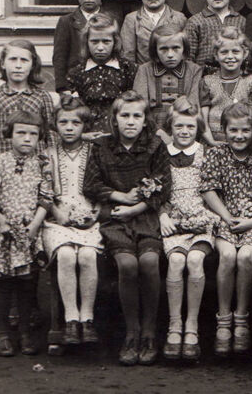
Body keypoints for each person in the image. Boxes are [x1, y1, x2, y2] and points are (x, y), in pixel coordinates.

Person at [83, 90, 172, 366]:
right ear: (115, 119)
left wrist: (137, 206)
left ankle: (149, 332)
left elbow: (162, 187)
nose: (131, 122)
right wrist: (120, 197)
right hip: (116, 217)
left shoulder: (155, 147)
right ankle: (131, 332)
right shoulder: (102, 147)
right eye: (125, 116)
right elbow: (91, 185)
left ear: (146, 120)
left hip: (145, 216)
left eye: (137, 116)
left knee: (148, 261)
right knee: (127, 264)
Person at [0, 110, 52, 357]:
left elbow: (46, 198)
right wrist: (2, 222)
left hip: (29, 232)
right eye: (21, 132)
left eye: (33, 133)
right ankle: (3, 334)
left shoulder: (42, 164)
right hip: (3, 233)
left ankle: (25, 333)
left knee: (27, 283)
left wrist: (34, 227)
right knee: (5, 284)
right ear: (9, 134)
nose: (27, 138)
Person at [202, 103, 252, 356]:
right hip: (225, 218)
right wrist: (227, 217)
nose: (239, 136)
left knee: (246, 256)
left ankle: (242, 317)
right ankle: (223, 319)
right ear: (223, 131)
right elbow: (208, 189)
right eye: (233, 130)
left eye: (245, 131)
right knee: (228, 256)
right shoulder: (217, 154)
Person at [158, 98, 217, 361]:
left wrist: (210, 215)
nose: (184, 131)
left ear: (198, 129)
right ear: (170, 127)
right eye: (179, 126)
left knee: (194, 260)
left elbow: (214, 189)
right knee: (176, 262)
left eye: (190, 127)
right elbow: (155, 189)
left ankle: (191, 325)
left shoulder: (206, 153)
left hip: (201, 220)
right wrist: (162, 214)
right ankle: (174, 325)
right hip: (174, 221)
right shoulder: (162, 154)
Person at [43, 97, 103, 348]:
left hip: (89, 213)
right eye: (63, 122)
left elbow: (103, 185)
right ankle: (70, 319)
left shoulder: (94, 150)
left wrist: (96, 212)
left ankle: (87, 318)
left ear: (85, 126)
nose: (69, 127)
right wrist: (57, 212)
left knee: (87, 255)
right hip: (57, 216)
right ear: (55, 125)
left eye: (76, 122)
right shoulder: (48, 153)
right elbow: (43, 187)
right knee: (66, 254)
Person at [0, 39, 55, 166]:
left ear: (33, 65)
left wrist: (48, 163)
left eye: (24, 60)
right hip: (3, 168)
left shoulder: (42, 96)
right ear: (3, 63)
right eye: (13, 59)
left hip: (35, 168)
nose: (18, 65)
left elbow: (51, 135)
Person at [66, 13, 137, 137]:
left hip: (119, 135)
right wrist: (81, 135)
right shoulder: (77, 72)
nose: (100, 47)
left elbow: (135, 106)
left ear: (115, 42)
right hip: (87, 135)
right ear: (86, 42)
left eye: (106, 41)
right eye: (94, 41)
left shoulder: (127, 69)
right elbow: (72, 112)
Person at [53, 0, 121, 92]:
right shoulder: (66, 22)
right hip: (75, 84)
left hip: (107, 81)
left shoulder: (112, 20)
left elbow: (118, 51)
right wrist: (62, 88)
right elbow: (59, 57)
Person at [133, 24, 203, 138]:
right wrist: (157, 132)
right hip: (151, 129)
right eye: (163, 49)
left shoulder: (194, 70)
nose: (170, 55)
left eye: (176, 48)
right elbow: (140, 107)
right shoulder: (145, 70)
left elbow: (193, 106)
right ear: (155, 50)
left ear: (184, 49)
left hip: (184, 128)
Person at [199, 27, 252, 142]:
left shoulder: (251, 82)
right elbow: (203, 120)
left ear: (245, 53)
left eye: (235, 52)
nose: (230, 57)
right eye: (224, 52)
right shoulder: (207, 82)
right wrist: (211, 142)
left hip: (242, 142)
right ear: (216, 55)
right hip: (212, 143)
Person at [119, 0, 187, 64]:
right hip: (142, 74)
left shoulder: (179, 18)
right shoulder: (132, 19)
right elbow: (128, 54)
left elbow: (185, 53)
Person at [184, 0, 246, 71]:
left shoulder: (241, 21)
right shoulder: (195, 22)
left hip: (234, 75)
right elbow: (188, 57)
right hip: (203, 77)